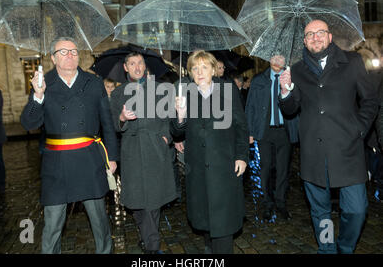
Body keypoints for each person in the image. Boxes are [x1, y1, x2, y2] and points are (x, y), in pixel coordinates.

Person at [279, 20, 378, 254]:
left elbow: (371, 100)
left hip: (348, 151)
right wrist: (286, 91)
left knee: (356, 209)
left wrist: (359, 129)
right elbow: (290, 109)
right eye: (310, 34)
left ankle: (345, 247)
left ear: (330, 37)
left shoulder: (352, 62)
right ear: (304, 41)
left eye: (320, 32)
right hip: (314, 154)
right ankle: (326, 248)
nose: (315, 37)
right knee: (320, 212)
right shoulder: (297, 70)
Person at [20, 37, 118, 254]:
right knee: (53, 224)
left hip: (90, 160)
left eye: (74, 51)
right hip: (56, 164)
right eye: (63, 52)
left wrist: (111, 157)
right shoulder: (43, 83)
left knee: (99, 221)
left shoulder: (93, 83)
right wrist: (38, 95)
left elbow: (107, 124)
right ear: (54, 58)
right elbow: (29, 123)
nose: (70, 55)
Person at [173, 50, 248, 254]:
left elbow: (241, 126)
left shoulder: (228, 90)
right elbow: (176, 132)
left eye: (204, 67)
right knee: (205, 217)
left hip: (224, 164)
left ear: (214, 69)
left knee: (223, 221)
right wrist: (180, 116)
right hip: (197, 167)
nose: (199, 72)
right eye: (195, 68)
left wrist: (242, 156)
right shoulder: (185, 92)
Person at [109, 52, 177, 254]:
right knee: (137, 203)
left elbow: (170, 119)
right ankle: (147, 236)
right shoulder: (118, 94)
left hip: (155, 150)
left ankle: (152, 247)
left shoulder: (161, 89)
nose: (137, 66)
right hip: (131, 153)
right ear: (126, 68)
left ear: (145, 65)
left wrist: (165, 137)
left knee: (152, 202)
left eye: (140, 62)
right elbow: (113, 124)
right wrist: (121, 117)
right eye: (132, 63)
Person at [245, 55, 299, 221]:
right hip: (265, 131)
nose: (277, 60)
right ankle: (268, 202)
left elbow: (299, 103)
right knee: (265, 167)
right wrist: (249, 131)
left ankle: (281, 202)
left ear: (286, 60)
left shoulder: (293, 79)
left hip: (285, 131)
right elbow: (251, 106)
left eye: (281, 57)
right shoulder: (258, 80)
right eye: (274, 57)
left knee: (283, 169)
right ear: (268, 59)